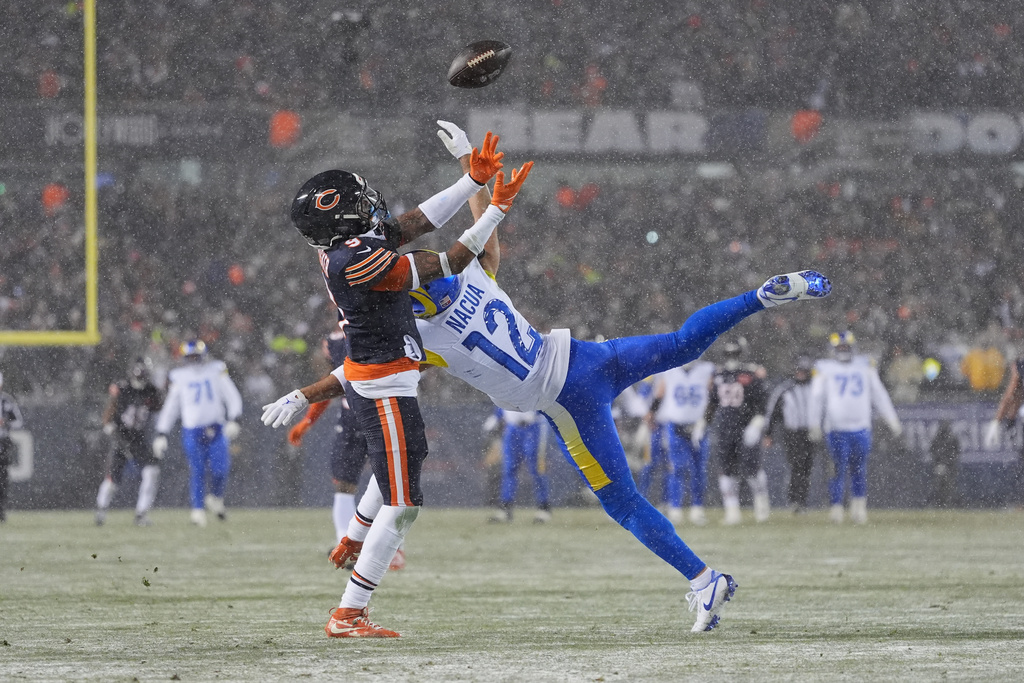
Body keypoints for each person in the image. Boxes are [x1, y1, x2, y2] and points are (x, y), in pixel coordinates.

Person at [266, 122, 831, 633]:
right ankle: (762, 295)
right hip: (586, 357)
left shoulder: (420, 334)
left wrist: (307, 395)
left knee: (624, 504)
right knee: (684, 342)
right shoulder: (479, 277)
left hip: (565, 399)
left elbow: (362, 370)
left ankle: (705, 580)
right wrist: (477, 180)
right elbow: (474, 245)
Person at [261, 124, 530, 638]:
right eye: (358, 205)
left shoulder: (348, 245)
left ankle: (352, 541)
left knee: (395, 474)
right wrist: (495, 207)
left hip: (379, 376)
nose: (370, 208)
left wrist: (471, 179)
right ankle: (349, 613)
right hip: (383, 384)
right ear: (341, 224)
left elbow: (413, 223)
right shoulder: (353, 262)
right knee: (404, 503)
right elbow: (448, 261)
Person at [287, 320, 406, 571]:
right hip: (352, 417)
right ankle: (347, 546)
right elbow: (333, 383)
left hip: (384, 412)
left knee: (391, 484)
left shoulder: (383, 326)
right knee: (344, 483)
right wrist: (308, 420)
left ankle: (392, 547)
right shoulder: (336, 340)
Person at [808, 331, 902, 524]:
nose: (843, 351)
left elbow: (879, 394)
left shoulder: (865, 365)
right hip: (836, 428)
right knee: (837, 469)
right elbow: (816, 398)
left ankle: (858, 507)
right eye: (840, 347)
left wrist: (892, 419)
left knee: (858, 469)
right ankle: (837, 507)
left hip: (860, 427)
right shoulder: (825, 368)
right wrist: (814, 423)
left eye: (846, 347)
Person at [153, 340, 243, 527]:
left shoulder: (216, 370)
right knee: (198, 470)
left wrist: (235, 418)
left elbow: (231, 394)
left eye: (196, 356)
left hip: (216, 428)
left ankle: (216, 498)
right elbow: (171, 407)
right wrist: (162, 432)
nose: (194, 360)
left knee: (220, 470)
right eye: (190, 356)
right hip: (192, 431)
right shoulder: (179, 376)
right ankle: (198, 510)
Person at [704, 340, 771, 525]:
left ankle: (762, 505)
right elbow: (712, 404)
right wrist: (703, 424)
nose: (731, 359)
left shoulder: (751, 374)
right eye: (729, 355)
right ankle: (732, 511)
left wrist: (756, 425)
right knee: (726, 470)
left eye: (735, 355)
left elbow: (762, 405)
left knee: (752, 469)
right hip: (726, 429)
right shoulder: (718, 375)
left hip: (745, 427)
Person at [94, 357, 164, 527]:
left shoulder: (151, 391)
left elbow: (159, 408)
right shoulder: (123, 388)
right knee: (113, 479)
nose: (139, 382)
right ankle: (101, 510)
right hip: (121, 436)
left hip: (139, 438)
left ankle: (141, 513)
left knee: (151, 472)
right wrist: (109, 426)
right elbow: (110, 409)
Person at [647, 359, 715, 526]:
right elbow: (660, 393)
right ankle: (675, 508)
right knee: (677, 468)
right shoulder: (670, 369)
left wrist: (706, 420)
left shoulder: (707, 369)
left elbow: (715, 395)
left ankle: (696, 508)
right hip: (676, 425)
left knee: (698, 469)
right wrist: (651, 413)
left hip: (698, 426)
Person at [762, 356, 817, 514]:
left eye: (803, 371)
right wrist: (768, 433)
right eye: (798, 370)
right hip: (792, 434)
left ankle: (802, 501)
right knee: (797, 466)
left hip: (811, 432)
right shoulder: (785, 389)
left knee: (806, 468)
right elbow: (772, 413)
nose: (800, 373)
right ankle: (795, 501)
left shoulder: (815, 388)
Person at [483, 408, 552, 523]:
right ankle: (505, 507)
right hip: (512, 427)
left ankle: (543, 506)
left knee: (537, 469)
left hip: (534, 425)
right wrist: (497, 415)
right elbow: (504, 397)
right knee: (509, 469)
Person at [0, 371, 26, 523]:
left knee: (2, 479)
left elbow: (18, 422)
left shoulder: (6, 401)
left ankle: (1, 511)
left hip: (2, 443)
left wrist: (6, 423)